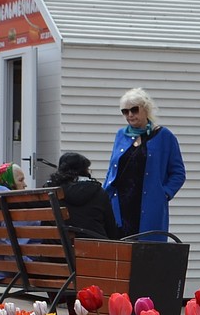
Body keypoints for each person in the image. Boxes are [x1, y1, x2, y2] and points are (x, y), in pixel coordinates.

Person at [104, 88, 185, 238]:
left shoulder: (164, 136)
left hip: (149, 203)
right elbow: (112, 169)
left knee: (147, 252)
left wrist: (164, 193)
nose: (130, 115)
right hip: (120, 203)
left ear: (146, 109)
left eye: (134, 110)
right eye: (125, 111)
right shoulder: (121, 135)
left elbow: (178, 173)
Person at [47, 151, 118, 238]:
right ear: (84, 170)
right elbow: (111, 228)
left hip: (57, 247)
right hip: (95, 247)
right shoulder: (99, 193)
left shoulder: (50, 191)